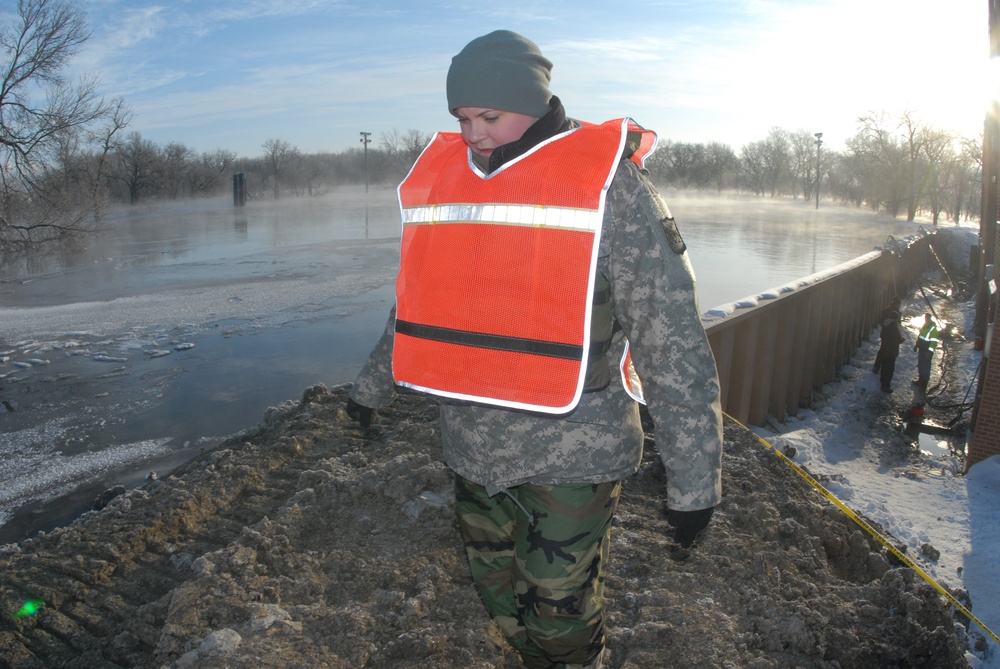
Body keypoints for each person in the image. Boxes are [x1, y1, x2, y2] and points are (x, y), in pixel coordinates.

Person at [346, 29, 722, 669]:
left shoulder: (611, 187)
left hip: (574, 451)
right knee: (499, 600)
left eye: (488, 115)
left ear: (532, 99)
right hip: (471, 446)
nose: (473, 134)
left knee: (557, 619)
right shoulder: (451, 183)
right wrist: (370, 388)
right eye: (462, 119)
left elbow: (671, 335)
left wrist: (694, 482)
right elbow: (420, 302)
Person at [872, 298, 903, 392]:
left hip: (886, 348)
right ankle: (885, 385)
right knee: (888, 368)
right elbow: (896, 339)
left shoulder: (887, 325)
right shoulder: (893, 327)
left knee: (883, 361)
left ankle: (877, 369)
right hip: (891, 351)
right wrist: (900, 339)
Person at [914, 312, 940, 391]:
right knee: (921, 365)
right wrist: (916, 345)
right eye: (925, 318)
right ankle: (920, 380)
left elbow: (934, 342)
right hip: (921, 349)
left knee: (926, 367)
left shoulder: (933, 329)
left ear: (929, 318)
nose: (925, 319)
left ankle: (924, 383)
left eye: (927, 318)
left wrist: (929, 352)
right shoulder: (924, 326)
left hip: (927, 351)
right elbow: (920, 336)